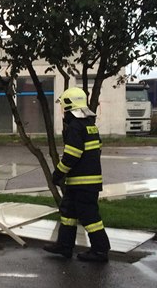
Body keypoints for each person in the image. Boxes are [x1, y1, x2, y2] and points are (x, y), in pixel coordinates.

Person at [43, 87, 111, 262]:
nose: (63, 112)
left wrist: (58, 173)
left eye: (64, 108)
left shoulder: (75, 127)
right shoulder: (90, 127)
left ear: (68, 106)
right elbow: (97, 151)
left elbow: (72, 155)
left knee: (89, 216)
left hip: (82, 183)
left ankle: (100, 250)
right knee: (68, 213)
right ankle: (64, 246)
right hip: (81, 182)